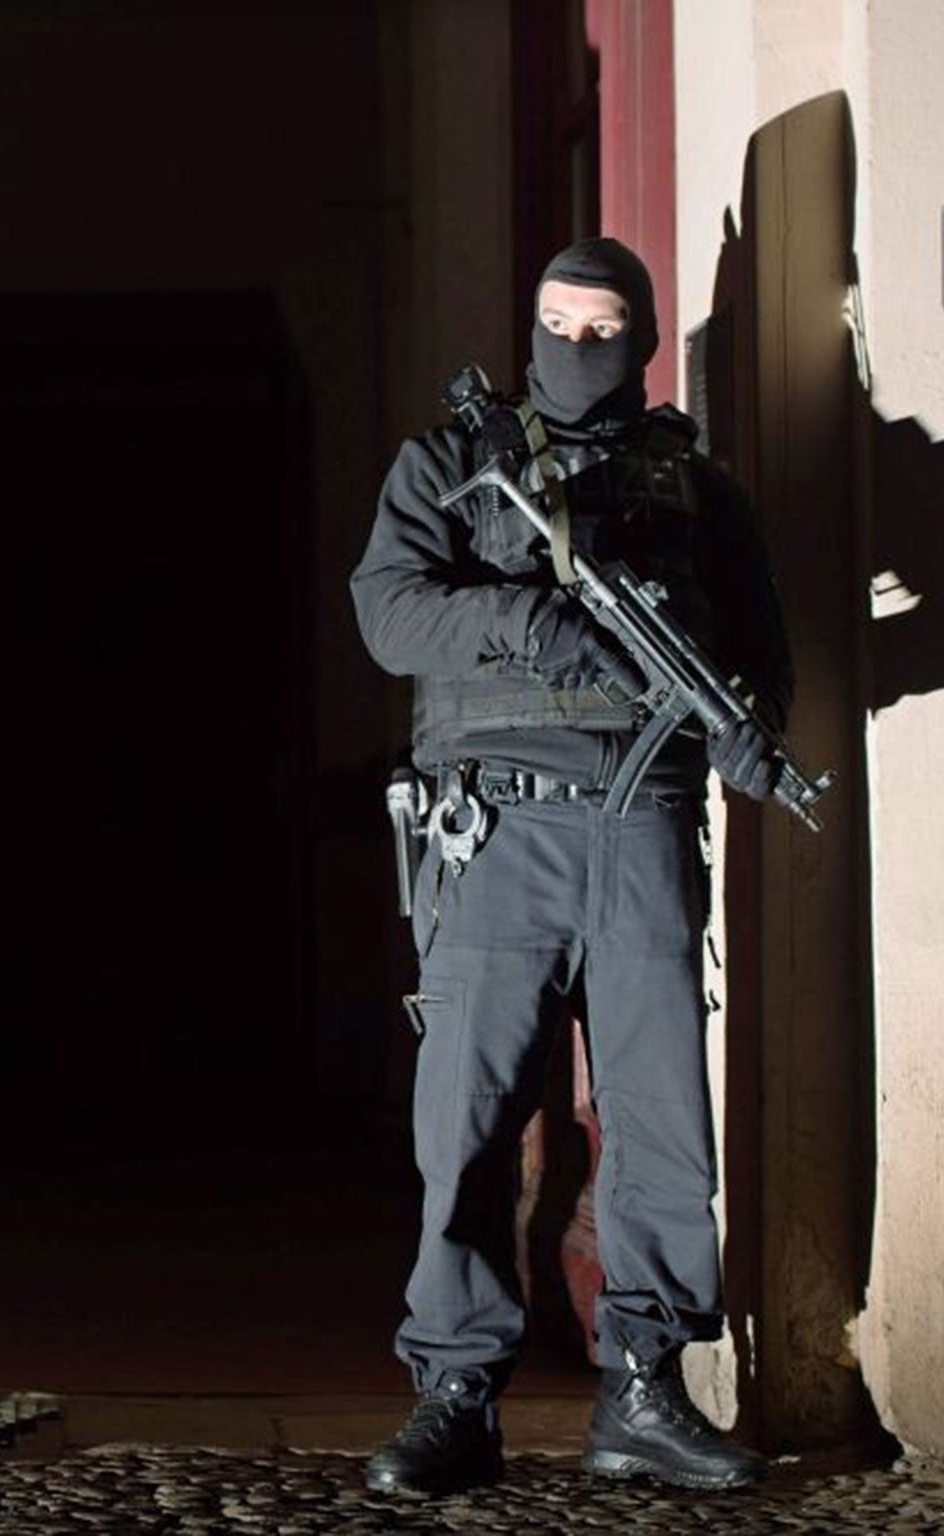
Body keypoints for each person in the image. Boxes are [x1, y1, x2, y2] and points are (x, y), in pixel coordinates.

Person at [350, 237, 792, 1495]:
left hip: (644, 813)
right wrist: (527, 618)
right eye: (556, 321)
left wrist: (755, 737)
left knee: (660, 1118)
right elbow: (387, 612)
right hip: (494, 822)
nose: (575, 346)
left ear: (642, 338)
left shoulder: (693, 492)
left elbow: (755, 647)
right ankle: (453, 1392)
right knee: (470, 1118)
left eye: (602, 327)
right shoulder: (448, 464)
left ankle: (643, 1390)